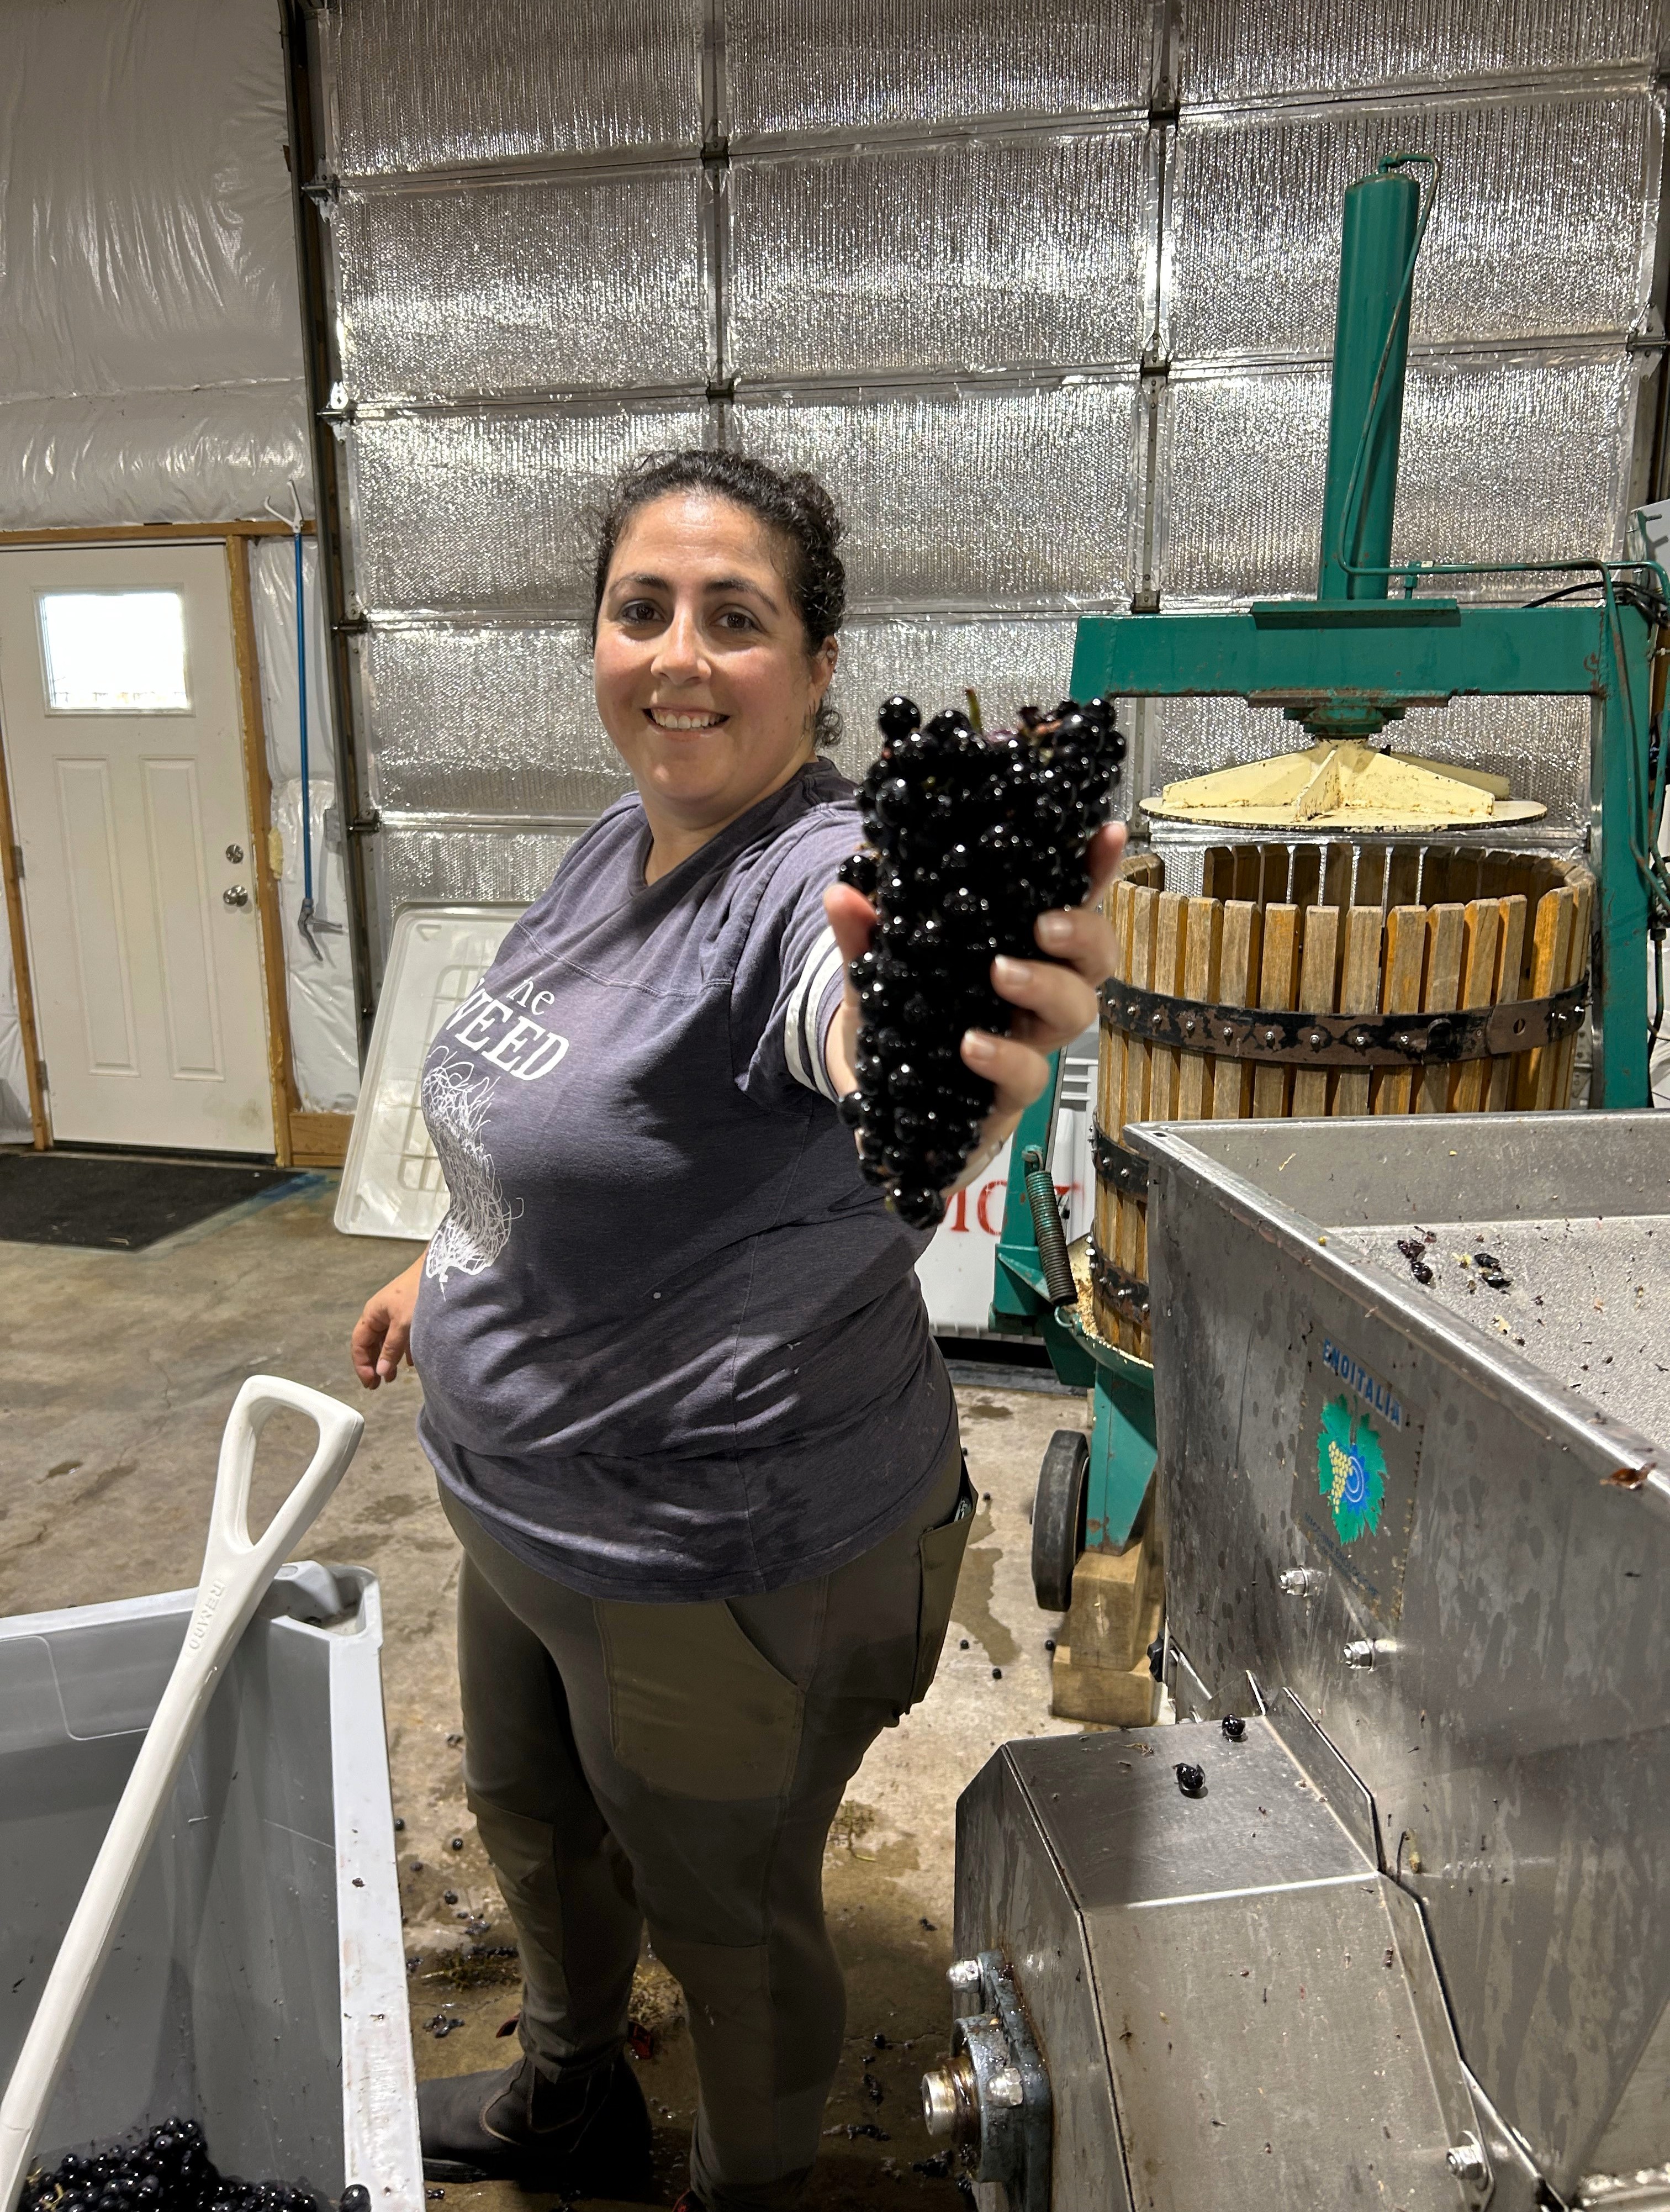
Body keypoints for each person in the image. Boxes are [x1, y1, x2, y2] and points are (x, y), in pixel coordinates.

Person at [350, 448, 1123, 2211]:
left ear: (821, 661)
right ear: (599, 639)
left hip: (713, 1551)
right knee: (540, 1837)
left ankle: (754, 2181)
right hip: (521, 1506)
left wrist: (940, 1050)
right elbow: (548, 1131)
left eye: (737, 618)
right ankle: (573, 2103)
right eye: (643, 611)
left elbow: (857, 1020)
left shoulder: (815, 877)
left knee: (732, 1918)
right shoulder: (609, 846)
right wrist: (441, 1272)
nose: (679, 655)